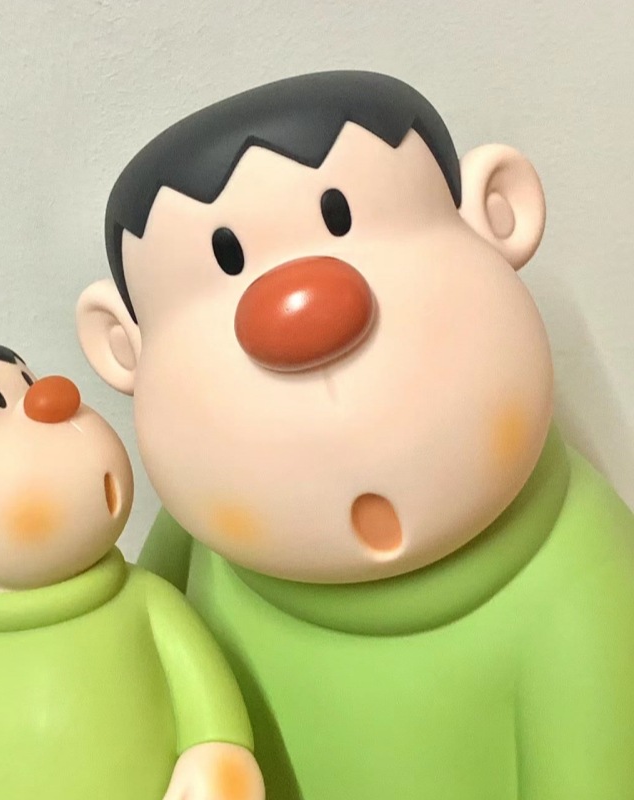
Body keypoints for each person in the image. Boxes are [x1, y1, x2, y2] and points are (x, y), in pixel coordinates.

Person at [77, 71, 634, 799]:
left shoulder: (580, 571)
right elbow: (133, 663)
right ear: (122, 348)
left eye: (340, 217)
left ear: (499, 212)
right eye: (227, 259)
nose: (301, 314)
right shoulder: (199, 547)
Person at [0, 344, 264, 800]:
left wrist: (214, 757)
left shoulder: (147, 601)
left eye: (27, 382)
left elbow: (212, 720)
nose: (50, 398)